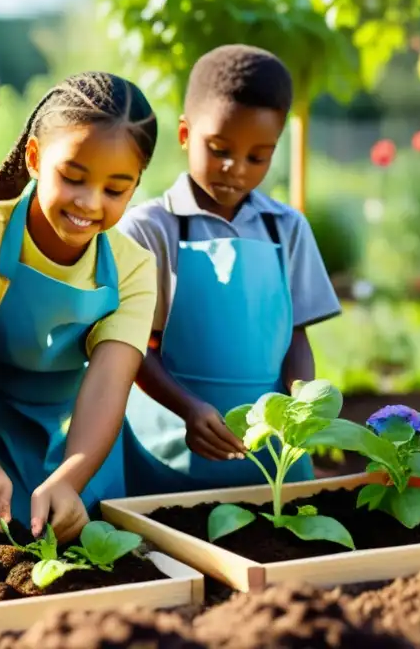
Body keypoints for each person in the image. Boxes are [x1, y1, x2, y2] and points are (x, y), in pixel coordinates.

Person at [0, 72, 159, 541]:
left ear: (135, 186)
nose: (90, 203)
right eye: (73, 178)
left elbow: (109, 387)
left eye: (116, 190)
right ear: (34, 158)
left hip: (81, 444)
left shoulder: (134, 267)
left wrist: (70, 480)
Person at [119, 45, 342, 494]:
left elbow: (296, 335)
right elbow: (131, 347)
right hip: (171, 451)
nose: (235, 169)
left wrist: (299, 405)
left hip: (274, 455)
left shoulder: (286, 227)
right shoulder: (148, 229)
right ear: (185, 134)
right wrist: (188, 408)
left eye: (257, 157)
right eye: (219, 149)